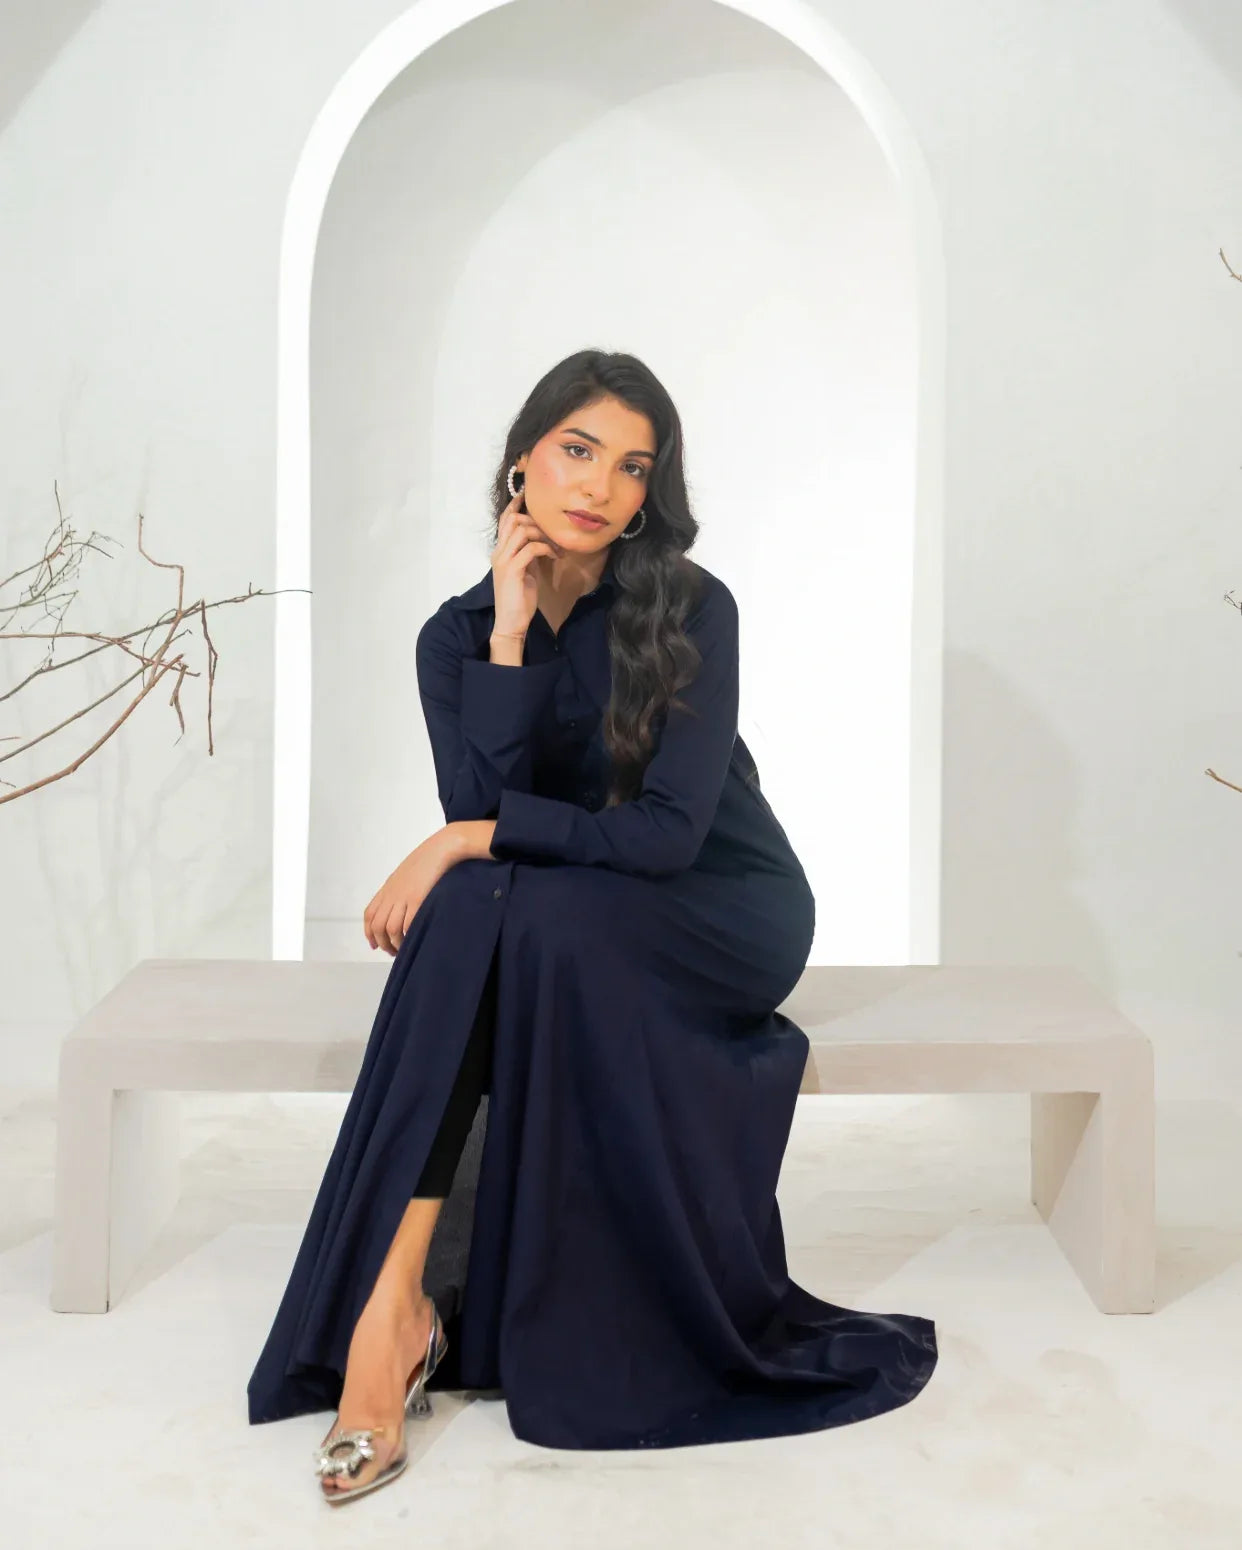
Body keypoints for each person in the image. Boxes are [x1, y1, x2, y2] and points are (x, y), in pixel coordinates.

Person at [246, 349, 938, 1504]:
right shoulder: (453, 638)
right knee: (496, 905)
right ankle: (394, 1301)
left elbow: (664, 836)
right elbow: (487, 817)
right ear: (522, 457)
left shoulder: (690, 605)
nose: (602, 487)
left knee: (488, 890)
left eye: (632, 466)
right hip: (563, 916)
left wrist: (468, 842)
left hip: (722, 903)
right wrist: (511, 635)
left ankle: (401, 1311)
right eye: (578, 450)